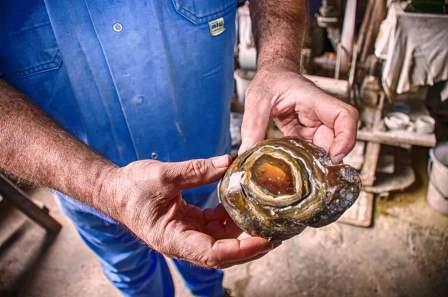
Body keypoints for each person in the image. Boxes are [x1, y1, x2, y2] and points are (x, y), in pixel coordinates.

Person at [0, 0, 358, 296]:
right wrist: (101, 187)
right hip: (87, 189)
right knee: (133, 274)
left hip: (212, 172)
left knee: (211, 256)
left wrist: (280, 61)